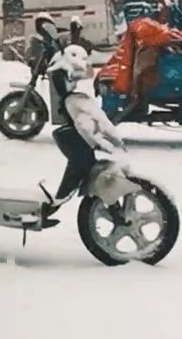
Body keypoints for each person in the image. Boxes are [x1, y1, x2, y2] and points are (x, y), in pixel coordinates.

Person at [11, 44, 127, 227]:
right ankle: (50, 205)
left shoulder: (75, 99)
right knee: (78, 164)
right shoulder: (74, 100)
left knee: (79, 165)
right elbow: (90, 121)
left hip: (73, 126)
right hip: (72, 129)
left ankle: (52, 204)